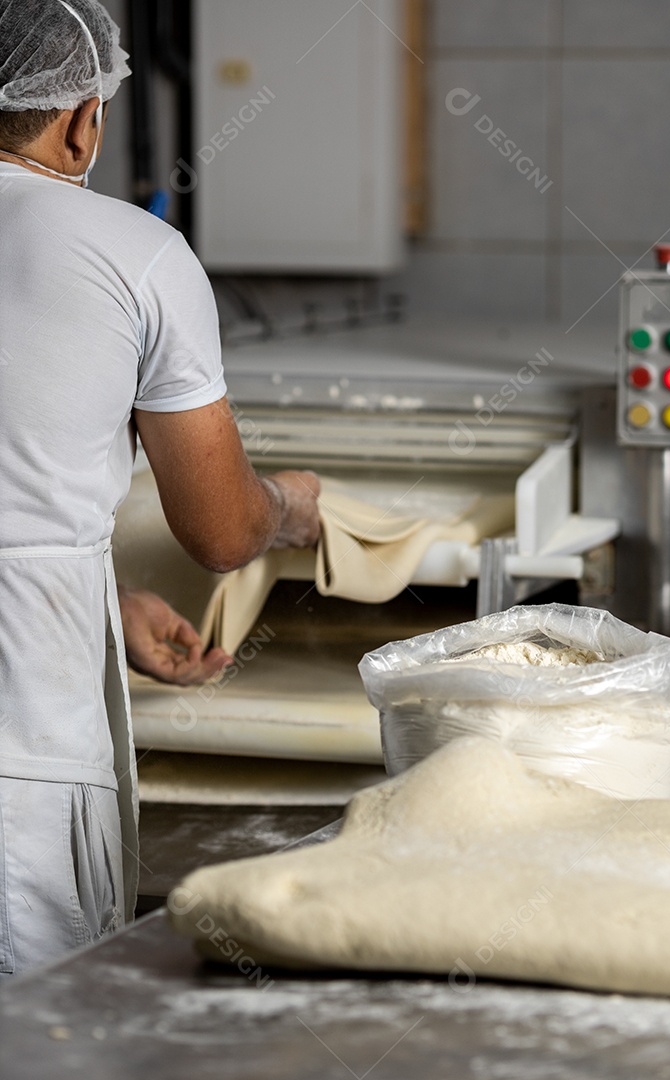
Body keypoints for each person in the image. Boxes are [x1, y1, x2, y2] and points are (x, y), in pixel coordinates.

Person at [0, 0, 321, 977]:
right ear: (83, 117)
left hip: (45, 639)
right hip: (22, 747)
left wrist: (103, 602)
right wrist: (289, 509)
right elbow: (221, 532)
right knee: (40, 1032)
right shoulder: (134, 252)